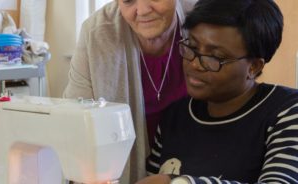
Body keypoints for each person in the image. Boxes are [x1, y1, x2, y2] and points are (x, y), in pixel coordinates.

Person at [136, 0, 298, 183]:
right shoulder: (174, 117)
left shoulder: (287, 111)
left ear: (253, 67)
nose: (195, 64)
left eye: (215, 57)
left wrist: (181, 182)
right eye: (192, 47)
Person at [63, 0, 196, 183]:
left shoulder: (202, 19)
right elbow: (75, 126)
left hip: (193, 164)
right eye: (128, 1)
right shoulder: (96, 33)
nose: (142, 11)